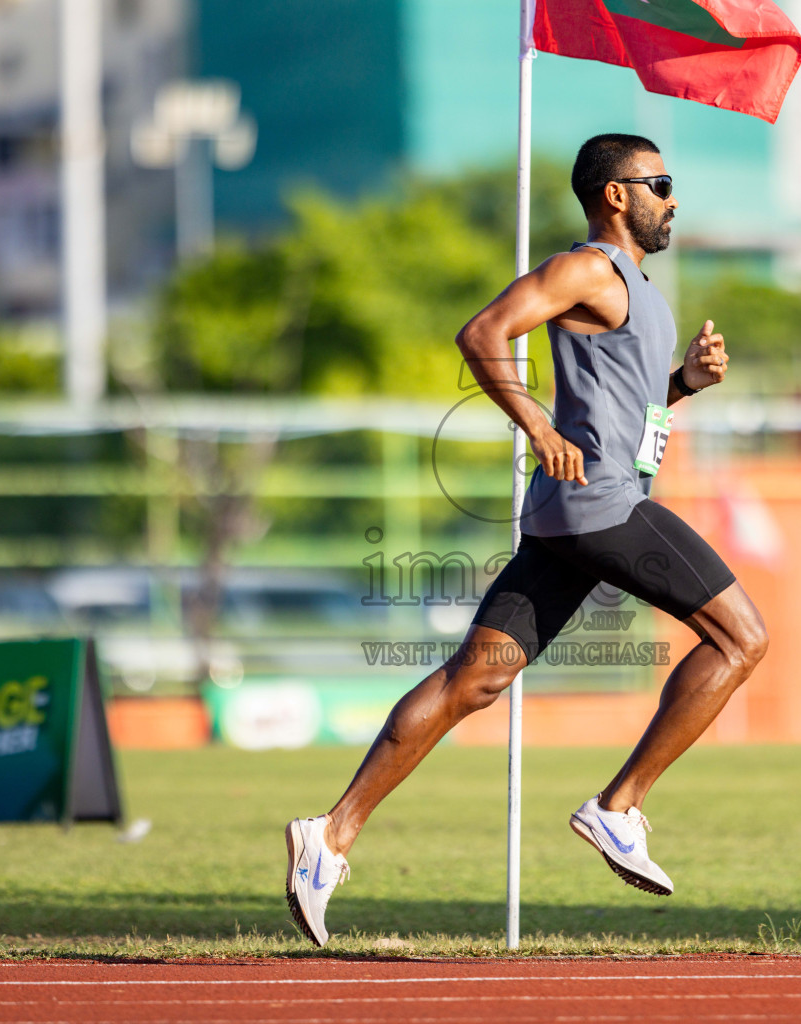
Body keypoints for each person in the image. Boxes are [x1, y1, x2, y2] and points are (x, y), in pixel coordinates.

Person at [284, 133, 768, 946]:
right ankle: (619, 807)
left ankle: (328, 838)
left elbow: (625, 414)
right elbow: (483, 333)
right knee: (742, 637)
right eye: (661, 183)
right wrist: (537, 424)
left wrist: (685, 383)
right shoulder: (588, 269)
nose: (673, 198)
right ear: (616, 195)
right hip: (599, 508)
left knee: (473, 681)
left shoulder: (640, 290)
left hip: (574, 512)